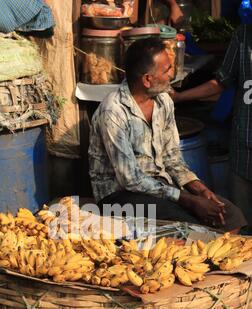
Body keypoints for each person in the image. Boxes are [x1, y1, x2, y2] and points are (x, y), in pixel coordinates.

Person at [88, 37, 246, 232]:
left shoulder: (164, 101)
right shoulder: (113, 112)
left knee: (229, 216)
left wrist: (201, 190)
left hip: (160, 188)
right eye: (166, 70)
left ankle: (218, 258)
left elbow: (173, 159)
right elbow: (131, 180)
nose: (171, 74)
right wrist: (188, 200)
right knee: (191, 227)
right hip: (119, 196)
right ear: (147, 79)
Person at [172, 23, 252, 233]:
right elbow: (221, 81)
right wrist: (180, 97)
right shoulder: (243, 34)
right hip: (244, 146)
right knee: (240, 226)